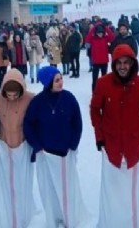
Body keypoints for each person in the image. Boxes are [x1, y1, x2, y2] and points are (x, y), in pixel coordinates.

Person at [90, 44, 139, 228]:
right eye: (119, 63)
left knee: (132, 189)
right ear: (114, 63)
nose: (123, 66)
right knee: (112, 189)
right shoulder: (103, 83)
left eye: (127, 63)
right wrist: (99, 136)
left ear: (133, 64)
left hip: (134, 144)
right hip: (111, 145)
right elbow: (95, 110)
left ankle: (133, 223)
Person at [24, 66, 87, 228]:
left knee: (67, 189)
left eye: (61, 79)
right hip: (46, 154)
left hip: (66, 153)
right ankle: (53, 219)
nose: (61, 83)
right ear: (48, 82)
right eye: (56, 80)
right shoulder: (37, 102)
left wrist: (73, 144)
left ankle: (69, 219)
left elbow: (77, 123)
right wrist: (37, 146)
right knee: (50, 190)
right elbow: (28, 125)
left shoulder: (69, 98)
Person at [0, 68, 36, 227]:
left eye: (15, 94)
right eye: (9, 94)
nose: (12, 97)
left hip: (22, 143)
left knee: (21, 177)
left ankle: (23, 206)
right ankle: (9, 206)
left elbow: (37, 117)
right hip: (4, 143)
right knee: (8, 179)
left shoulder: (29, 99)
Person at [85, 23, 115, 91]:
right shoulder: (92, 38)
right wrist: (94, 28)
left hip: (104, 61)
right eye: (98, 33)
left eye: (101, 33)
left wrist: (104, 27)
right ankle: (94, 91)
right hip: (96, 62)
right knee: (95, 78)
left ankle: (104, 90)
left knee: (104, 78)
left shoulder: (105, 38)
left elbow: (112, 36)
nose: (100, 34)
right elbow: (87, 39)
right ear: (96, 32)